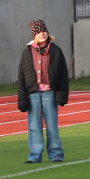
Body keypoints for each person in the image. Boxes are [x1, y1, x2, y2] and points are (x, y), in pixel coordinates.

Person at [16, 19, 69, 163]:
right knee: (34, 127)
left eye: (44, 31)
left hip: (49, 94)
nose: (42, 34)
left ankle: (56, 155)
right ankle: (34, 156)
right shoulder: (27, 52)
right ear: (34, 34)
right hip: (33, 95)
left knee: (52, 126)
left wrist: (62, 95)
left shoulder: (56, 51)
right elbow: (21, 76)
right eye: (38, 32)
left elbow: (63, 74)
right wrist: (22, 98)